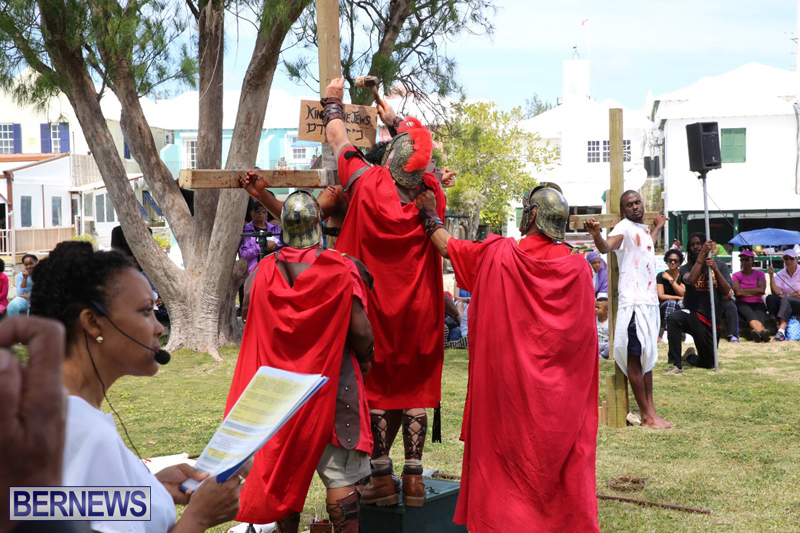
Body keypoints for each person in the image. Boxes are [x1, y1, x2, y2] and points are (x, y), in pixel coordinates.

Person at [415, 185, 599, 532]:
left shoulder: (499, 254)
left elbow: (448, 247)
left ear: (532, 215)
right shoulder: (578, 268)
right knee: (560, 470)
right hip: (559, 404)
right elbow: (582, 345)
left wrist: (429, 213)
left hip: (506, 397)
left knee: (505, 473)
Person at [30, 241, 249, 532]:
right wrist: (199, 517)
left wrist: (150, 490)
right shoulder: (78, 430)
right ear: (92, 323)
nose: (158, 327)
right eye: (146, 311)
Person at [317, 78, 448, 507]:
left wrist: (333, 101)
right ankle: (414, 479)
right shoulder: (432, 194)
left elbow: (338, 138)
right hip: (420, 311)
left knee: (375, 386)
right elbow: (416, 149)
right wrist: (394, 119)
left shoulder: (365, 181)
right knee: (412, 388)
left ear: (389, 158)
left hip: (374, 309)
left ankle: (381, 478)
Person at [226, 191, 374, 533]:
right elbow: (361, 331)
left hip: (279, 395)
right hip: (334, 388)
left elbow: (251, 319)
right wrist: (366, 360)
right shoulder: (341, 267)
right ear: (317, 225)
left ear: (284, 228)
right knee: (341, 476)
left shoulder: (260, 272)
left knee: (282, 476)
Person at [584, 191, 673, 429]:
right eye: (629, 205)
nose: (635, 207)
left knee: (648, 359)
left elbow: (645, 245)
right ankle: (646, 416)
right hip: (633, 304)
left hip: (648, 302)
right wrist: (596, 235)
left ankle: (652, 412)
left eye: (637, 202)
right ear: (623, 210)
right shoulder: (622, 228)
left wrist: (658, 227)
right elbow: (606, 247)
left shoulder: (641, 230)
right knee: (635, 358)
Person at [665, 233, 733, 372]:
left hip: (711, 320)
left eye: (699, 244)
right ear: (689, 249)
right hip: (693, 315)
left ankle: (690, 356)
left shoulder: (720, 265)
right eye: (692, 244)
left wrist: (715, 270)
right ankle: (676, 364)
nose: (696, 247)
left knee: (708, 363)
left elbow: (726, 292)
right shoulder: (685, 268)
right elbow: (690, 280)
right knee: (674, 318)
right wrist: (702, 256)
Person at [733, 249, 770, 342]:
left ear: (752, 260)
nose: (744, 262)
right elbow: (737, 293)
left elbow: (762, 290)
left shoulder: (760, 273)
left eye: (746, 259)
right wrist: (755, 290)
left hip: (758, 302)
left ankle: (757, 333)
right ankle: (763, 333)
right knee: (751, 316)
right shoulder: (736, 275)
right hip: (742, 302)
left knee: (759, 318)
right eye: (742, 260)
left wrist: (743, 290)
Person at [766, 248, 800, 341]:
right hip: (786, 302)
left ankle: (781, 331)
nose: (789, 261)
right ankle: (778, 327)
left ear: (797, 260)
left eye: (791, 259)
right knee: (771, 298)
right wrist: (771, 276)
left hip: (796, 302)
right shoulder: (781, 274)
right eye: (786, 259)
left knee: (785, 299)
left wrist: (787, 295)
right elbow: (776, 292)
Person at [239, 199, 280, 275]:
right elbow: (244, 254)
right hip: (256, 271)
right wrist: (262, 245)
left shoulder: (275, 229)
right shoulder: (246, 231)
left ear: (267, 214)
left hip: (274, 269)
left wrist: (275, 246)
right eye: (257, 210)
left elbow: (282, 247)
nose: (261, 212)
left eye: (264, 210)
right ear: (252, 213)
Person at [657, 248, 685, 340]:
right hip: (664, 306)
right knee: (671, 302)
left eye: (676, 260)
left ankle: (685, 332)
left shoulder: (683, 275)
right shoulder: (661, 276)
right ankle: (667, 331)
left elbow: (682, 292)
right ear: (667, 261)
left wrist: (670, 279)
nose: (673, 262)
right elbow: (661, 295)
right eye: (670, 260)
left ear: (679, 262)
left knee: (682, 303)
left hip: (679, 305)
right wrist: (677, 297)